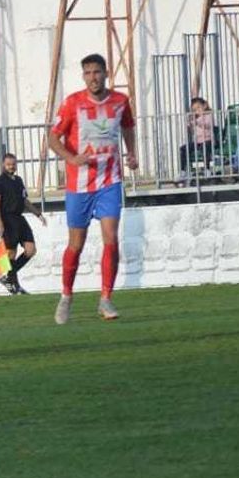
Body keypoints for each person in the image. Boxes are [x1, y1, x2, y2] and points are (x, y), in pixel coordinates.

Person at [47, 52, 138, 324]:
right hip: (79, 184)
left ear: (106, 73)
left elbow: (128, 127)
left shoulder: (120, 101)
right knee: (76, 243)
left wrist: (132, 152)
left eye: (97, 72)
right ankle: (66, 296)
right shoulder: (72, 103)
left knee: (111, 237)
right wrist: (72, 158)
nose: (92, 77)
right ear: (83, 76)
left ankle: (106, 298)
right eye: (87, 73)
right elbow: (53, 138)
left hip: (110, 180)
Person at [0, 153, 47, 295]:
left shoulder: (19, 180)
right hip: (7, 218)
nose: (11, 166)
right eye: (8, 164)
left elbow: (25, 201)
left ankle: (8, 277)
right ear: (3, 165)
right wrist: (0, 223)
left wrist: (38, 214)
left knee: (31, 250)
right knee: (11, 253)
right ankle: (14, 285)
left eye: (13, 164)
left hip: (20, 219)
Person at [180, 97, 215, 175]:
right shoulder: (195, 118)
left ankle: (207, 169)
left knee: (205, 149)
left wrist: (197, 123)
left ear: (204, 106)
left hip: (207, 140)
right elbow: (192, 131)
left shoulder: (208, 115)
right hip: (197, 141)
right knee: (183, 149)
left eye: (199, 108)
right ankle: (183, 170)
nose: (197, 111)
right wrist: (190, 126)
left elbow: (208, 124)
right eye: (195, 110)